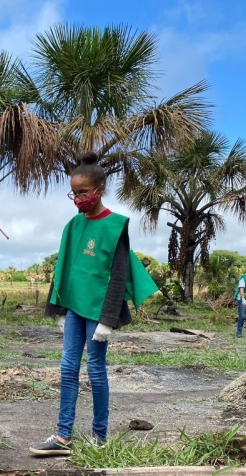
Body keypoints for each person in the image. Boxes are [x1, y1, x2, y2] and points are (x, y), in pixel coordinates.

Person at [30, 153, 158, 456]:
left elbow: (118, 275)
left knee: (96, 371)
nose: (78, 199)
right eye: (74, 193)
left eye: (83, 193)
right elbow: (64, 268)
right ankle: (63, 436)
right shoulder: (73, 226)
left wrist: (108, 319)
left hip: (99, 312)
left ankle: (100, 437)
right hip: (74, 308)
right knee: (67, 368)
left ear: (99, 189)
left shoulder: (115, 226)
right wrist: (59, 309)